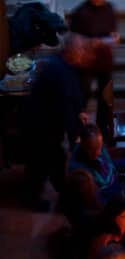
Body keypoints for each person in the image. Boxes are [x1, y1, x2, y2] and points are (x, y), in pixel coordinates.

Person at [24, 33, 91, 208]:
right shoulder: (58, 71)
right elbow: (64, 108)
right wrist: (75, 136)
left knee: (54, 159)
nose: (84, 53)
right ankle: (34, 199)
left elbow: (74, 93)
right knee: (40, 162)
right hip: (41, 124)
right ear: (71, 51)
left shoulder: (67, 64)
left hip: (50, 122)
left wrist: (81, 110)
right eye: (81, 50)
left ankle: (64, 195)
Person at [69, 0, 120, 139]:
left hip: (104, 61)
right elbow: (74, 41)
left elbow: (113, 33)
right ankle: (80, 133)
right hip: (86, 63)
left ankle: (104, 130)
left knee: (106, 97)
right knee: (82, 98)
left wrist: (113, 39)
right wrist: (91, 43)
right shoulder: (80, 13)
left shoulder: (109, 8)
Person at [69, 123, 125, 205]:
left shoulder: (96, 148)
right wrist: (120, 202)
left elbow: (110, 165)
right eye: (95, 150)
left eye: (100, 147)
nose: (99, 152)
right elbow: (97, 202)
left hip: (118, 189)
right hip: (111, 204)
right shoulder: (81, 175)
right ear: (85, 149)